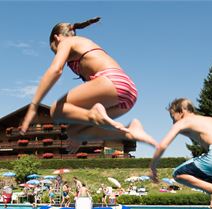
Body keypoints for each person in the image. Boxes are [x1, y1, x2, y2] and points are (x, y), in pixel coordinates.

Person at [18, 17, 157, 153]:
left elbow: (56, 70)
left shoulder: (67, 42)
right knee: (74, 131)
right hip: (127, 93)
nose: (57, 52)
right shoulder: (84, 45)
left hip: (111, 80)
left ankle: (93, 114)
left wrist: (33, 106)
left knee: (56, 110)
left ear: (57, 38)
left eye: (54, 50)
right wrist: (79, 136)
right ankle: (129, 131)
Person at [150, 98, 212, 209]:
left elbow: (162, 145)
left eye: (172, 117)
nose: (173, 122)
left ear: (181, 112)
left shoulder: (183, 122)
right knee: (199, 175)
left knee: (178, 174)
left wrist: (152, 167)